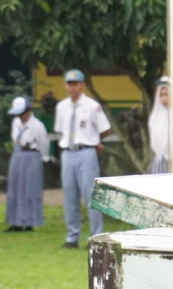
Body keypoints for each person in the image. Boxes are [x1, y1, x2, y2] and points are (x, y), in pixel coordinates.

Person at [52, 69, 111, 248]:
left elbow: (105, 128)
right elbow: (60, 130)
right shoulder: (62, 106)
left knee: (90, 194)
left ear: (83, 85)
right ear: (65, 86)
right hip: (68, 151)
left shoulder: (92, 106)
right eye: (69, 84)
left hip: (86, 151)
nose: (73, 88)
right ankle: (72, 236)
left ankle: (95, 236)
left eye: (76, 84)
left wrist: (93, 140)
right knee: (69, 195)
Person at [5, 96, 49, 232]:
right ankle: (15, 221)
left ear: (28, 111)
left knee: (30, 187)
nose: (20, 116)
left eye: (22, 113)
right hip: (18, 154)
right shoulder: (16, 123)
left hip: (32, 155)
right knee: (15, 187)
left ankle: (30, 221)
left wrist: (43, 158)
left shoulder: (37, 125)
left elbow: (43, 143)